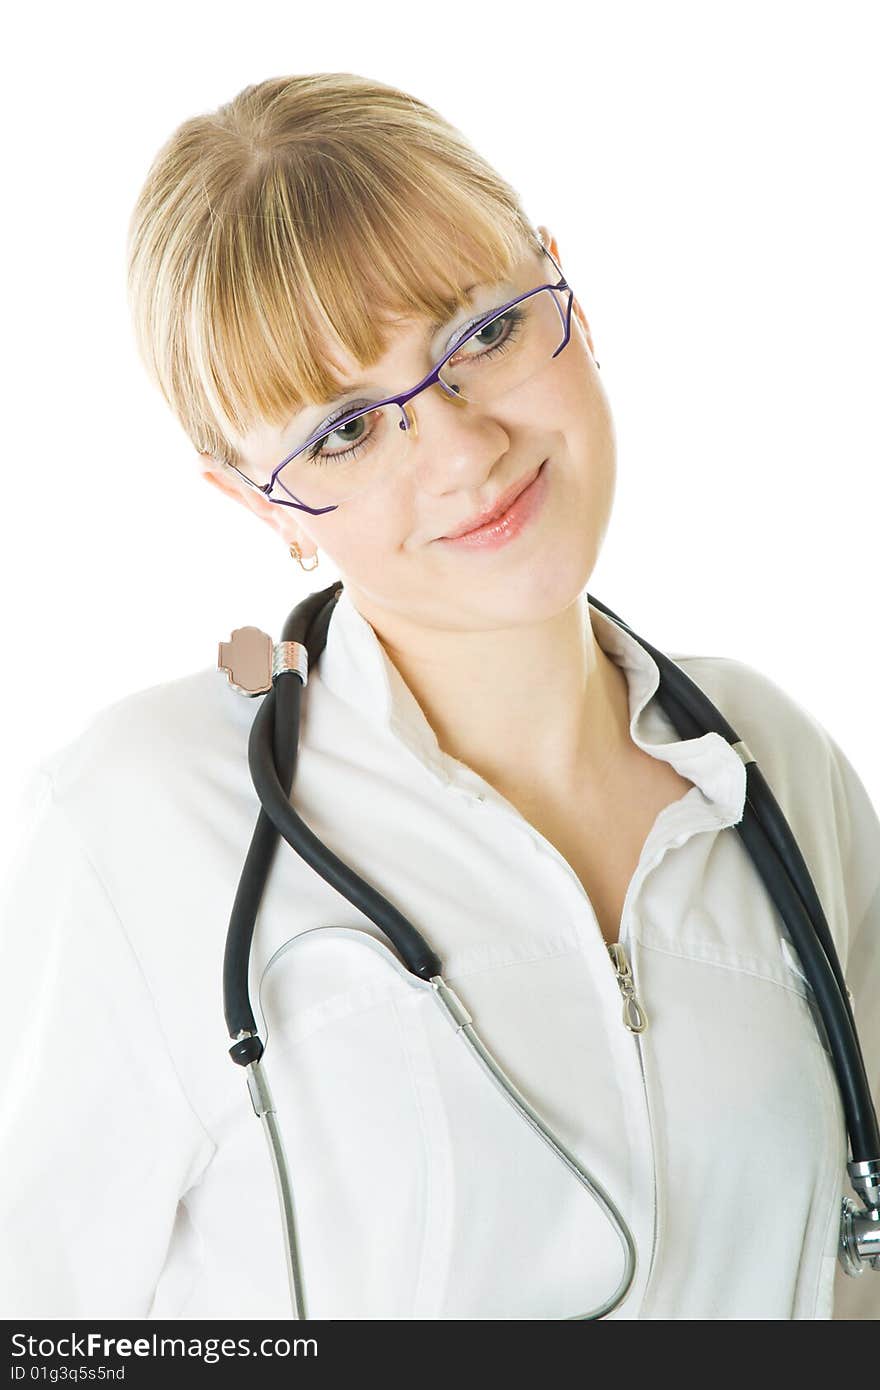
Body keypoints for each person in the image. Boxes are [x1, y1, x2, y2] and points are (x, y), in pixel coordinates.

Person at [1, 71, 878, 1322]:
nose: (461, 450)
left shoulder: (773, 769)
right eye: (348, 429)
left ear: (565, 285)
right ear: (256, 503)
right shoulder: (140, 826)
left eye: (481, 334)